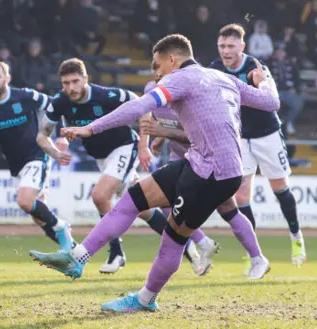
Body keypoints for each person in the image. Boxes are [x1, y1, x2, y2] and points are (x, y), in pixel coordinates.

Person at [30, 34, 279, 312]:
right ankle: (78, 257)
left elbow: (139, 106)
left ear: (172, 59)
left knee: (173, 236)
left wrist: (91, 128)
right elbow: (270, 102)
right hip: (203, 162)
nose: (157, 74)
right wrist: (263, 80)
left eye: (157, 66)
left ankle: (145, 299)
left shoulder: (179, 78)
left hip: (212, 174)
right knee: (134, 198)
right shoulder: (222, 77)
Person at [38, 58, 202, 275]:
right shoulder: (59, 102)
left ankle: (116, 253)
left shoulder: (107, 95)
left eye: (75, 81)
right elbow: (42, 135)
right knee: (141, 207)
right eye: (66, 83)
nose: (71, 87)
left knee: (99, 195)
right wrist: (56, 153)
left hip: (125, 147)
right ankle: (186, 245)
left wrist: (143, 145)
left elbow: (144, 106)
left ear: (85, 79)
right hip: (102, 159)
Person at [139, 64, 269, 276]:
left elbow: (196, 133)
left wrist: (164, 132)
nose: (160, 74)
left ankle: (257, 258)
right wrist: (152, 140)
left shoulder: (195, 88)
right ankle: (203, 242)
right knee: (164, 201)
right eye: (156, 69)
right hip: (182, 156)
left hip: (208, 157)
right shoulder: (153, 89)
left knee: (227, 207)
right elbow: (150, 116)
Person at [210, 24, 306, 269]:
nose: (226, 50)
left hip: (267, 134)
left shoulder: (255, 67)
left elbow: (271, 98)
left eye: (231, 46)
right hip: (240, 137)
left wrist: (261, 86)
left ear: (242, 46)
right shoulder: (215, 69)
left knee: (279, 187)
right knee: (241, 194)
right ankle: (255, 256)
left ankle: (296, 237)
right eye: (222, 45)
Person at [0, 60, 74, 251]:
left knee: (24, 201)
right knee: (38, 215)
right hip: (17, 164)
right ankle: (73, 250)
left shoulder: (25, 96)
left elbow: (56, 105)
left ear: (7, 78)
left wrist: (62, 134)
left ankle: (61, 226)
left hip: (37, 155)